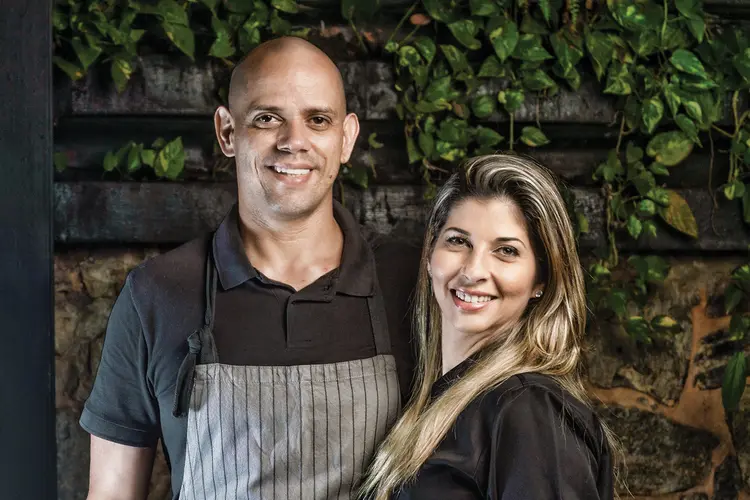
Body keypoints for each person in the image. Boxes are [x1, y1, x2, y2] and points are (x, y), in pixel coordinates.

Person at [81, 37, 418, 500]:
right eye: (267, 118)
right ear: (226, 132)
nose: (294, 141)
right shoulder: (157, 295)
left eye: (317, 120)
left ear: (346, 139)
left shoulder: (411, 283)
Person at [360, 154, 617, 500]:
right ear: (429, 254)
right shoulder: (441, 400)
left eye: (506, 251)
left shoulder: (527, 409)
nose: (473, 270)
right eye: (457, 241)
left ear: (541, 277)